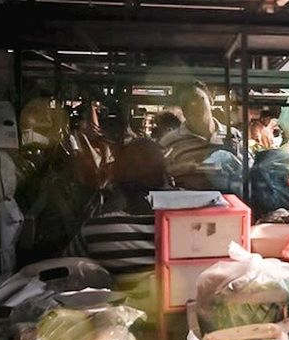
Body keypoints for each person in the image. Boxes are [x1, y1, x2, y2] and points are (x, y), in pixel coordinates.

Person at [67, 139, 167, 275]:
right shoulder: (196, 223)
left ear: (117, 181)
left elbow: (66, 267)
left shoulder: (96, 229)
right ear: (165, 176)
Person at [159, 82, 244, 195]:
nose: (193, 105)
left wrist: (235, 157)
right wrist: (184, 169)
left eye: (199, 99)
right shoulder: (169, 141)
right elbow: (161, 179)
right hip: (189, 206)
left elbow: (247, 173)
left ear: (211, 101)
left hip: (230, 206)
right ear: (183, 109)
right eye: (186, 103)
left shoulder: (233, 135)